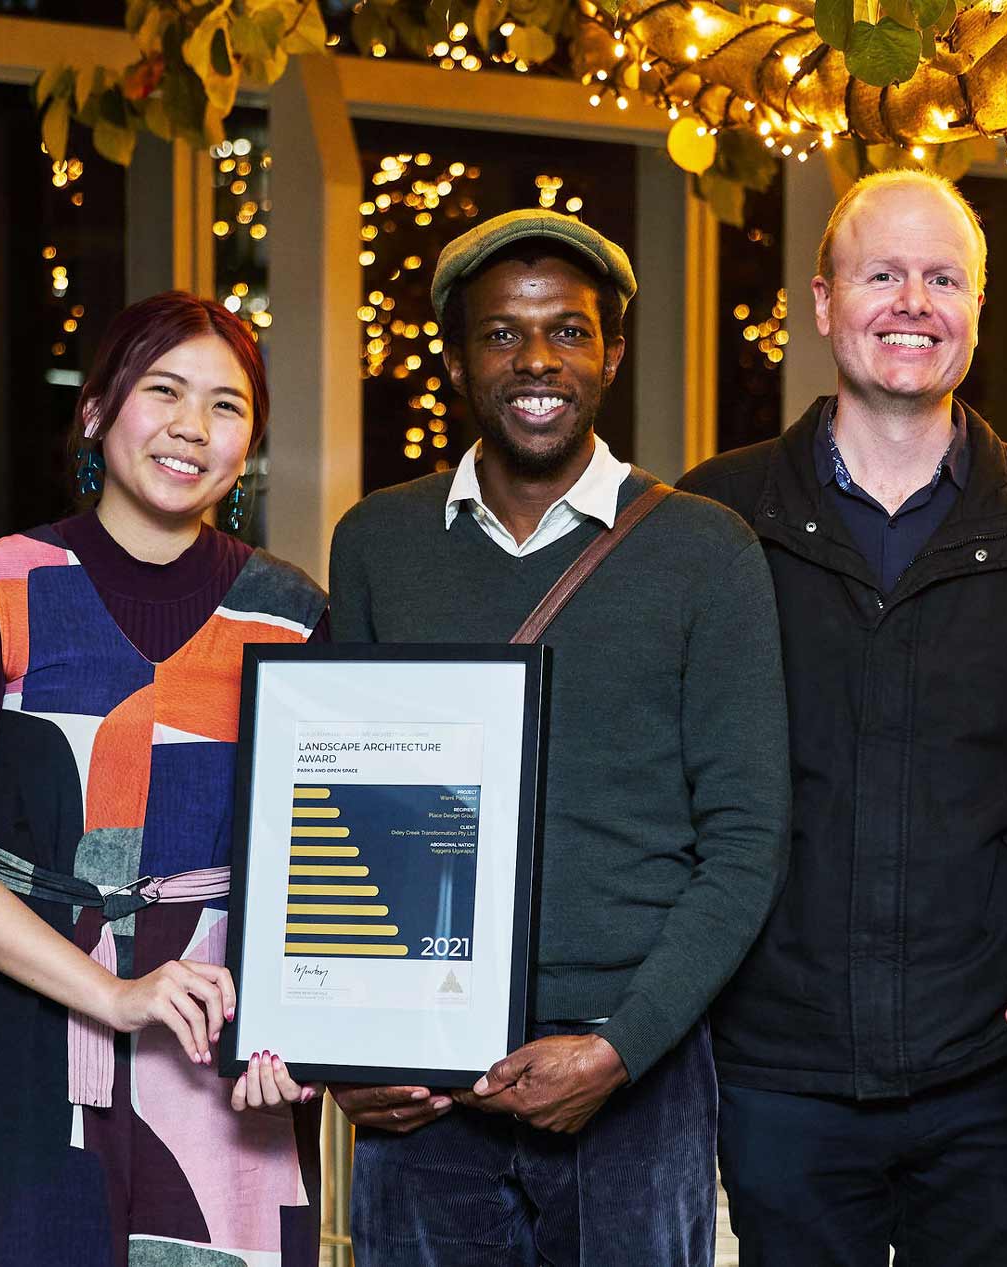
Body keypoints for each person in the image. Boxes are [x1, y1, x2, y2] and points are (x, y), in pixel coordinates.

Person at [677, 170, 1007, 1267]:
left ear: (977, 310)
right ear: (821, 300)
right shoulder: (713, 518)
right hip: (778, 1068)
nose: (912, 302)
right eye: (881, 274)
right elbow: (661, 782)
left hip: (999, 1073)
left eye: (943, 279)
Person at [326, 209, 790, 1266]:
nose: (537, 359)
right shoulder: (377, 544)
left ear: (611, 352)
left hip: (637, 1067)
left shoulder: (702, 549)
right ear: (453, 360)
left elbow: (747, 836)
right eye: (501, 333)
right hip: (423, 1076)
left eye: (568, 331)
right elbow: (335, 811)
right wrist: (345, 1050)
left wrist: (622, 1046)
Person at [0, 292, 329, 1266]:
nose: (191, 426)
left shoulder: (292, 614)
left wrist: (293, 1025)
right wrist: (112, 992)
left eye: (226, 405)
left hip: (220, 1042)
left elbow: (321, 857)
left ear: (251, 441)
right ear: (96, 411)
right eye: (163, 390)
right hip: (18, 1031)